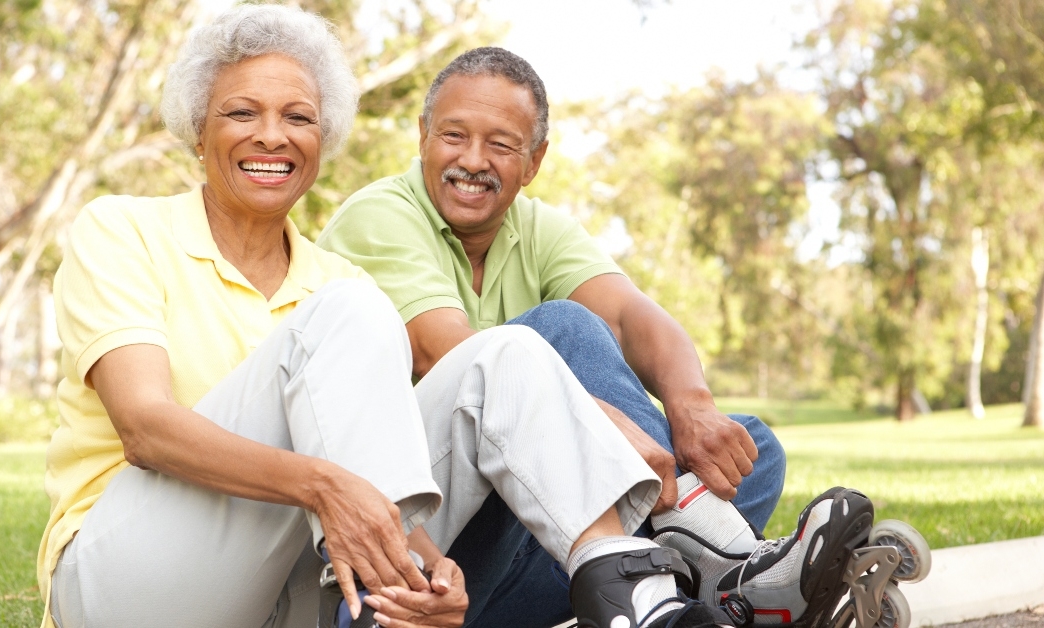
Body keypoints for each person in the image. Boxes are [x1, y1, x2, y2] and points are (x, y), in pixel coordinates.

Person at [37, 8, 748, 628]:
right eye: (241, 113)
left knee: (506, 354)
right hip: (131, 586)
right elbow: (145, 428)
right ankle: (708, 559)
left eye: (299, 118)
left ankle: (629, 594)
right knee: (354, 315)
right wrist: (322, 485)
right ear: (198, 129)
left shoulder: (336, 279)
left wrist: (432, 569)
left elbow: (377, 467)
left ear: (323, 140)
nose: (272, 136)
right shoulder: (124, 230)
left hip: (298, 597)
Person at [318, 47, 875, 627]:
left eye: (501, 145)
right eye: (454, 135)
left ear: (534, 161)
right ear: (423, 136)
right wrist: (595, 429)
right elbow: (456, 355)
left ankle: (684, 587)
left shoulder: (535, 227)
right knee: (557, 328)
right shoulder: (378, 216)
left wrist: (693, 407)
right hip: (416, 554)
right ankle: (724, 569)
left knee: (744, 449)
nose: (473, 160)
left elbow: (631, 317)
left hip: (519, 563)